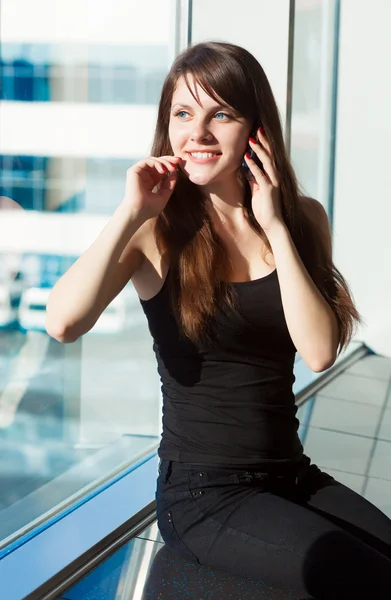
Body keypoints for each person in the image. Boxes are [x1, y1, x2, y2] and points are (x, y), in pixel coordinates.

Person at [46, 41, 391, 598]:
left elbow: (320, 350)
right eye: (183, 114)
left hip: (289, 475)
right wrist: (130, 210)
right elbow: (62, 323)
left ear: (256, 127)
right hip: (204, 497)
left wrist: (275, 226)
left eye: (220, 114)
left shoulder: (303, 219)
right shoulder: (154, 232)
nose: (198, 133)